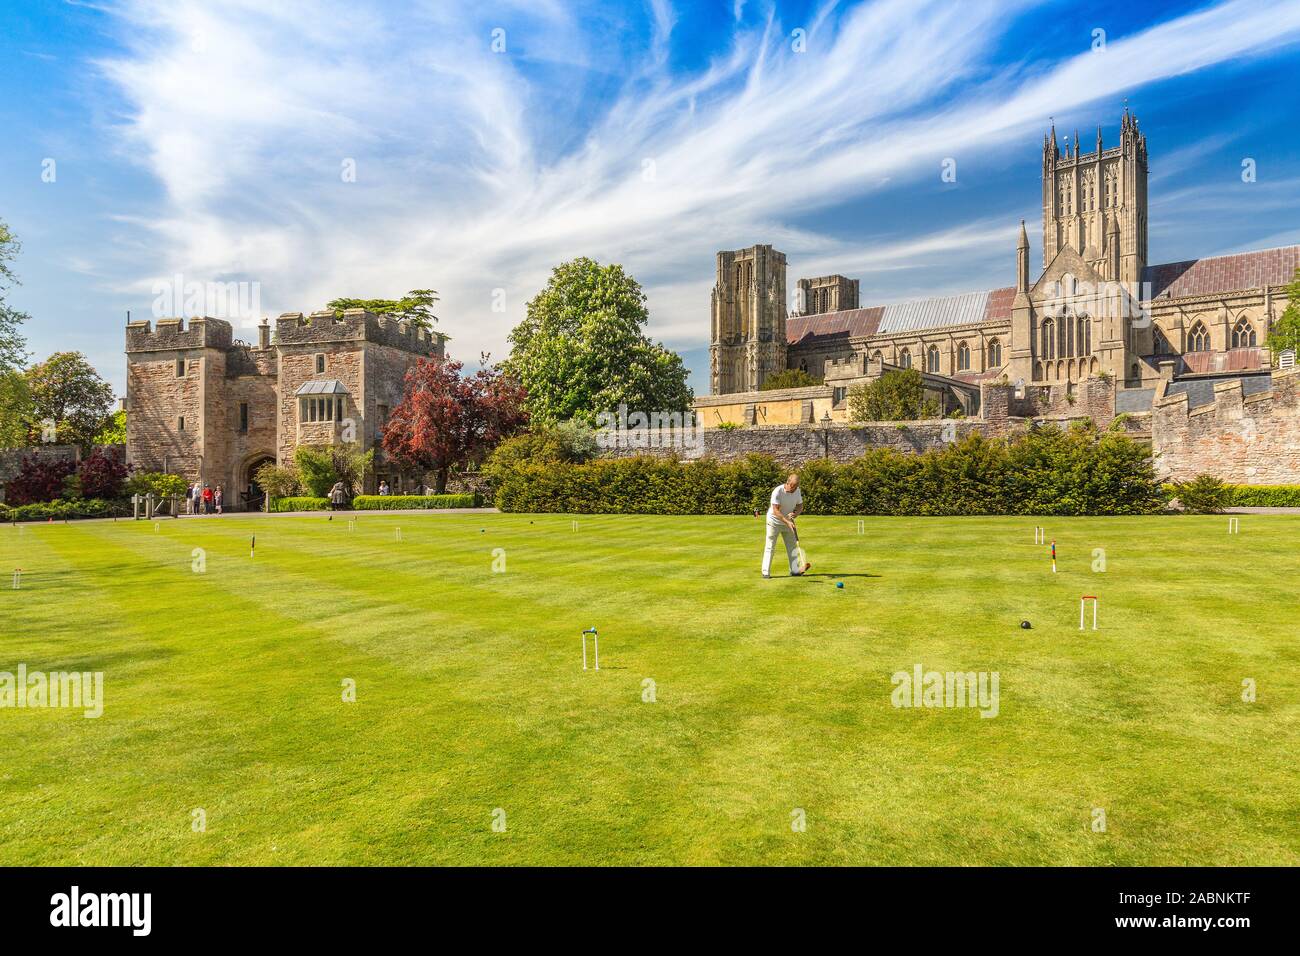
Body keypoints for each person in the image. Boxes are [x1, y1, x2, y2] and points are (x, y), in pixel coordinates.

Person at [762, 472, 810, 578]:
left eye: (794, 487)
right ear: (787, 482)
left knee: (792, 546)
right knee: (770, 546)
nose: (792, 490)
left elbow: (800, 506)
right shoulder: (778, 491)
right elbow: (775, 510)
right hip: (774, 521)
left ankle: (794, 570)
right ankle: (766, 572)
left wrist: (795, 514)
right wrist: (787, 522)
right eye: (791, 487)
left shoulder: (797, 491)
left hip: (788, 521)